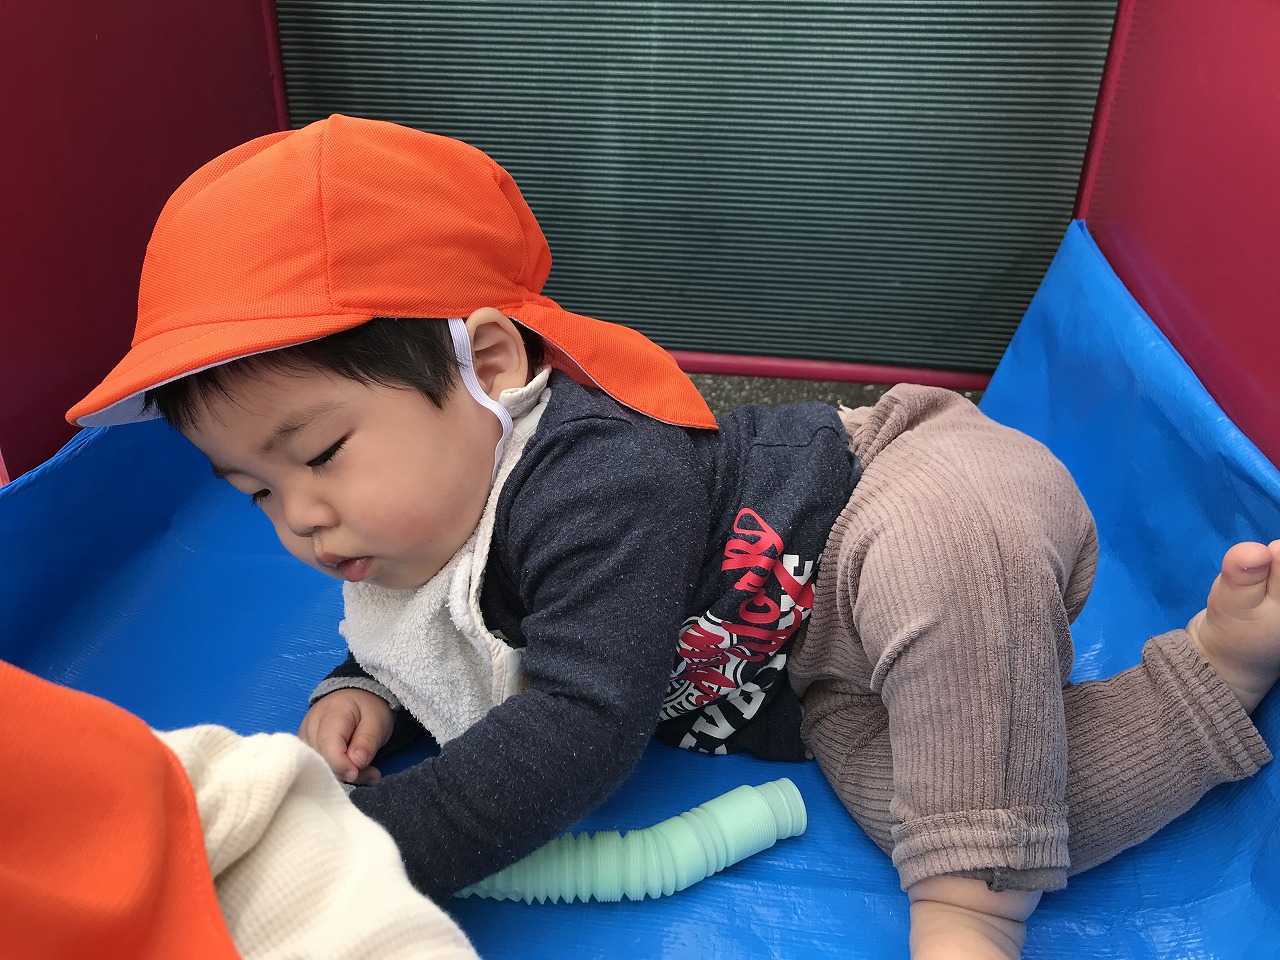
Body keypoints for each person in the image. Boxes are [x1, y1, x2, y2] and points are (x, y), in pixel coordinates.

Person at [68, 115, 1280, 959]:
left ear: (488, 364)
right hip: (816, 680)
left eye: (322, 452)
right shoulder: (421, 515)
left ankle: (968, 922)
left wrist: (345, 848)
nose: (301, 516)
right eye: (254, 491)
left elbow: (579, 722)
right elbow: (450, 621)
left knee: (938, 570)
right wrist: (369, 688)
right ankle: (1206, 682)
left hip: (895, 489)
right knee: (969, 795)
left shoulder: (596, 469)